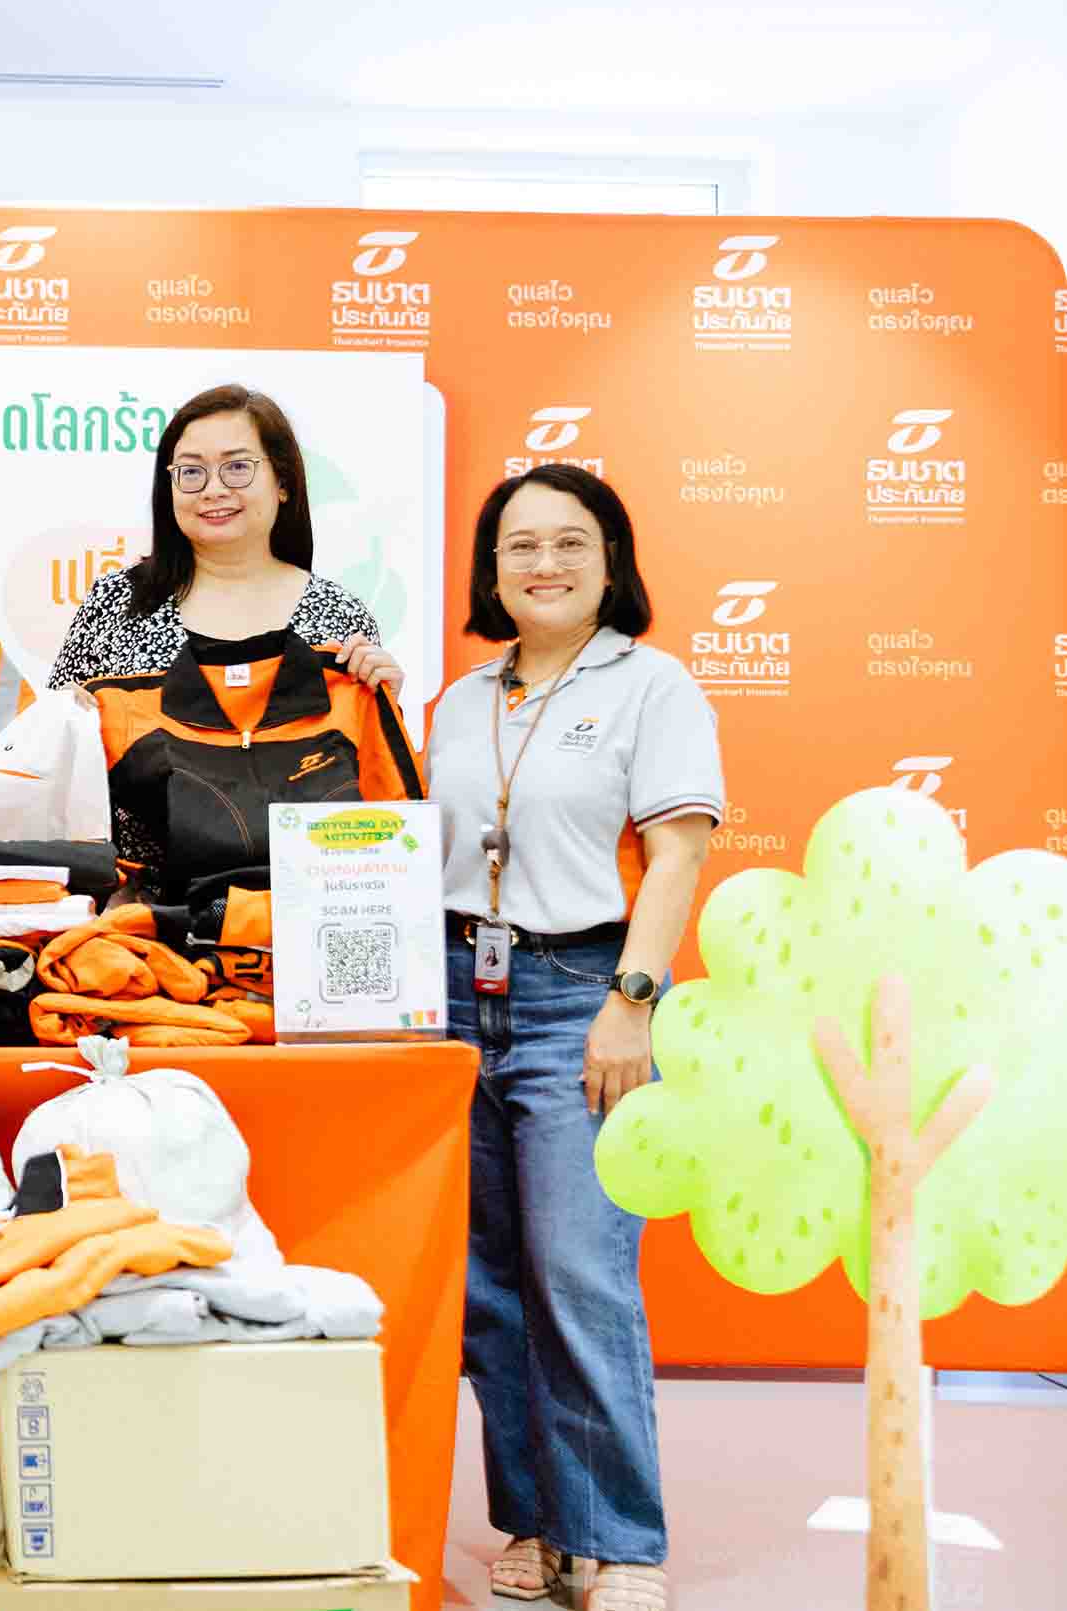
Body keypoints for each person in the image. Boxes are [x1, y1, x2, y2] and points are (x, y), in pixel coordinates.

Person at [428, 463, 720, 1611]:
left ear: (610, 564)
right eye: (519, 545)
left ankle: (622, 1540)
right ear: (490, 569)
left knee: (579, 1273)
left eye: (568, 543)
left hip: (578, 992)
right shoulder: (459, 699)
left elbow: (677, 851)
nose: (542, 564)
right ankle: (539, 1523)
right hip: (455, 992)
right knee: (489, 1284)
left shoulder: (652, 684)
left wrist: (630, 1000)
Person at [44, 382, 397, 694]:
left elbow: (363, 747)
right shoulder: (115, 603)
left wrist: (384, 704)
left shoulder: (341, 617)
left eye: (238, 467)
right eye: (191, 471)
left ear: (283, 482)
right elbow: (47, 739)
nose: (213, 490)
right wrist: (61, 717)